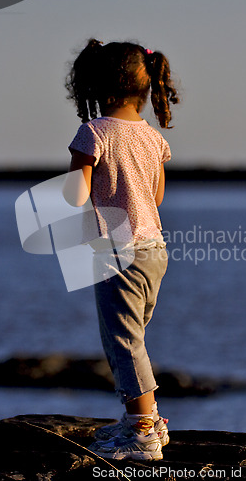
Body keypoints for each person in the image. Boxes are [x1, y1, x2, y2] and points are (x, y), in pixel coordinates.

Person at [63, 38, 179, 460]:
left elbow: (76, 196)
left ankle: (143, 432)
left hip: (117, 251)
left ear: (98, 87)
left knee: (123, 341)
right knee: (135, 339)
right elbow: (158, 196)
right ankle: (145, 419)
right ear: (147, 88)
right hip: (154, 250)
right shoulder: (151, 138)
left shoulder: (93, 133)